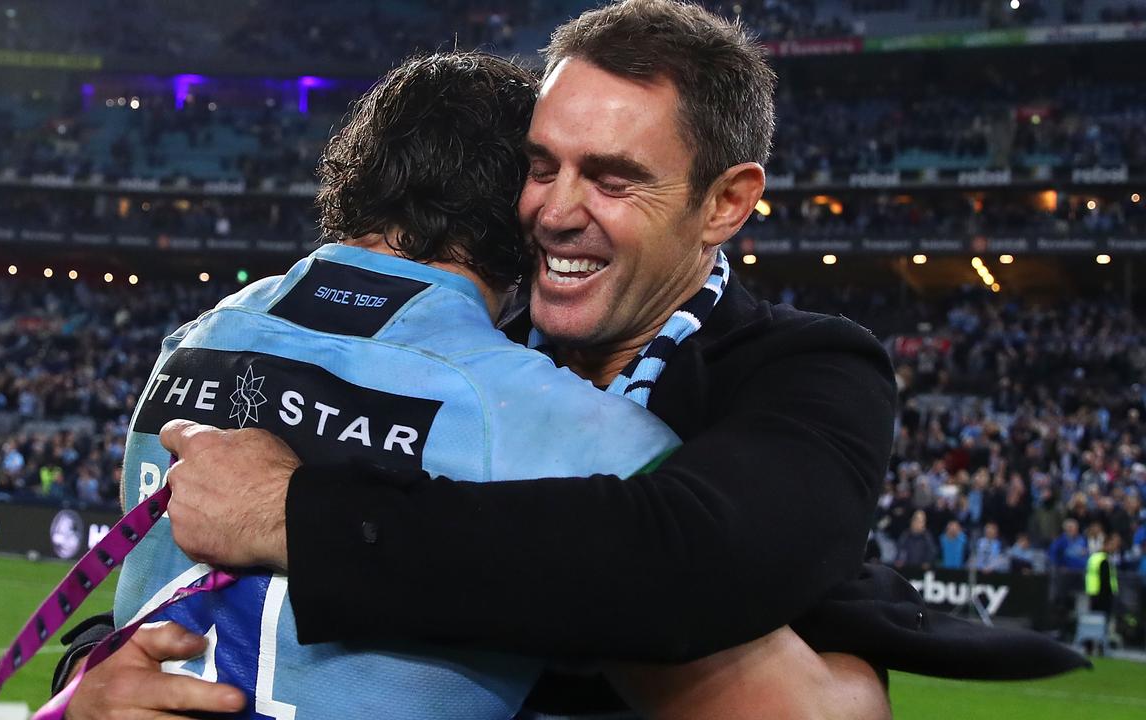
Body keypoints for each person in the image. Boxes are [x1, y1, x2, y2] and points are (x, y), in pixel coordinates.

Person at [58, 0, 1086, 715]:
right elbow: (173, 579)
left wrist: (300, 518)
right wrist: (94, 671)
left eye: (611, 179)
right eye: (539, 165)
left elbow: (683, 559)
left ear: (724, 201)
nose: (553, 211)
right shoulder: (457, 345)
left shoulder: (802, 370)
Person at [69, 51, 685, 719]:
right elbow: (704, 587)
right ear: (526, 205)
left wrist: (78, 668)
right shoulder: (551, 420)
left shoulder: (190, 344)